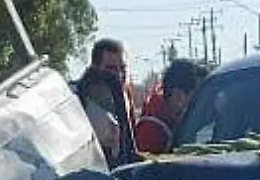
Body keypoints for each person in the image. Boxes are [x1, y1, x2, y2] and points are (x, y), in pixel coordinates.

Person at [75, 38, 137, 166]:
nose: (119, 74)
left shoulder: (124, 95)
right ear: (95, 68)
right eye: (111, 68)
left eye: (122, 68)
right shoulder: (82, 101)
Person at [134, 59, 205, 155]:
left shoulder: (177, 121)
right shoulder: (151, 131)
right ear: (178, 95)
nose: (201, 103)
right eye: (197, 96)